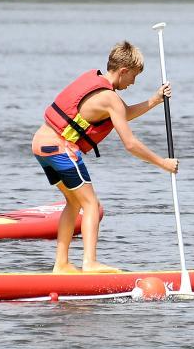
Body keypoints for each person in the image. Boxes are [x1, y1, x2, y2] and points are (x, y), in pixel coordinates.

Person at [31, 41, 178, 273]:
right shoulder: (110, 98)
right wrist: (163, 163)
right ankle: (89, 262)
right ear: (123, 71)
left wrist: (155, 100)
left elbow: (124, 113)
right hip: (61, 148)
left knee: (73, 202)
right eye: (134, 77)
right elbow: (130, 144)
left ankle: (61, 263)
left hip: (41, 144)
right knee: (91, 205)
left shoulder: (95, 82)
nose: (133, 83)